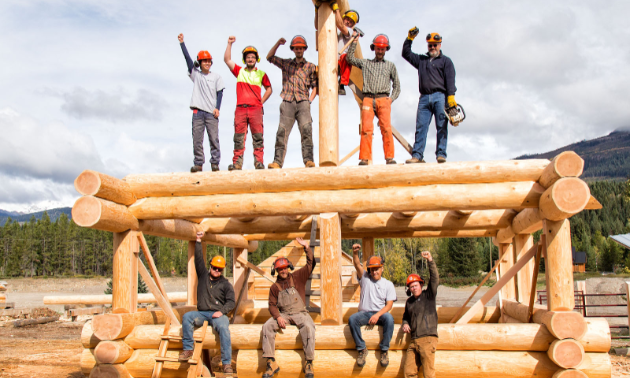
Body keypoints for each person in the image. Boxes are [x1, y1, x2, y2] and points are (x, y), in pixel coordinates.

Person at [179, 231, 235, 375]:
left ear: (222, 270)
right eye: (214, 268)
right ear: (210, 266)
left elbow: (231, 302)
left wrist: (222, 312)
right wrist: (198, 240)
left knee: (224, 328)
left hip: (217, 314)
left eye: (219, 269)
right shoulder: (203, 275)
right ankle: (188, 349)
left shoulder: (226, 284)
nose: (216, 270)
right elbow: (198, 259)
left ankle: (227, 363)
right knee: (187, 317)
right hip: (202, 313)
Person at [261, 238, 316, 378]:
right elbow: (272, 305)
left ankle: (309, 362)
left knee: (309, 327)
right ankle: (271, 362)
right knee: (267, 326)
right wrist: (278, 317)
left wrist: (307, 248)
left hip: (300, 313)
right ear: (276, 270)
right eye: (280, 269)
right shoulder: (274, 288)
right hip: (284, 315)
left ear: (289, 267)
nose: (283, 271)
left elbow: (311, 264)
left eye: (285, 268)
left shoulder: (298, 276)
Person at [402, 29, 457, 164]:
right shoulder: (422, 60)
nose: (432, 47)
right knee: (421, 127)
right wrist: (409, 39)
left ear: (440, 45)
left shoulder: (446, 61)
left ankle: (441, 154)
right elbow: (406, 54)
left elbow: (450, 80)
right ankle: (417, 155)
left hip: (440, 97)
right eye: (430, 45)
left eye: (435, 44)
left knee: (441, 126)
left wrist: (451, 98)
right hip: (424, 98)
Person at [347, 32, 401, 166]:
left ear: (386, 49)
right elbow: (350, 59)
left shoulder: (390, 66)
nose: (380, 51)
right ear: (374, 48)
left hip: (383, 99)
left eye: (382, 48)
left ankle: (389, 158)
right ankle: (364, 158)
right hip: (368, 99)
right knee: (366, 130)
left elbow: (397, 86)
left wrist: (391, 99)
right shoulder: (366, 63)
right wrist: (354, 41)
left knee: (386, 129)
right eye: (378, 48)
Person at [266, 35, 318, 169]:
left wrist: (309, 100)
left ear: (304, 49)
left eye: (301, 48)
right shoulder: (286, 63)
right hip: (287, 101)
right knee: (281, 132)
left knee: (306, 130)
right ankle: (277, 162)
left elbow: (315, 86)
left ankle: (308, 161)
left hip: (303, 102)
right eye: (296, 48)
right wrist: (278, 43)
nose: (299, 50)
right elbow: (269, 57)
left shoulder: (310, 67)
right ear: (293, 49)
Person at [224, 36, 273, 171]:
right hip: (241, 109)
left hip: (255, 109)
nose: (250, 59)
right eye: (248, 57)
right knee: (239, 137)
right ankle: (237, 163)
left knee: (258, 136)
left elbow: (269, 89)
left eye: (252, 57)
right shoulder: (240, 71)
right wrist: (229, 44)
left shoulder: (261, 74)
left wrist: (261, 102)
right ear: (244, 59)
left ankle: (259, 162)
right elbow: (227, 60)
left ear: (256, 59)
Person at [178, 33, 225, 173]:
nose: (207, 63)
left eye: (209, 61)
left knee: (214, 139)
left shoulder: (216, 76)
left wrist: (217, 108)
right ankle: (198, 163)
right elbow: (187, 59)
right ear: (199, 62)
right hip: (198, 112)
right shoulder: (196, 75)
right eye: (204, 61)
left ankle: (215, 163)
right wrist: (182, 43)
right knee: (197, 139)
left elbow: (220, 92)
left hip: (211, 112)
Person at [348, 243, 396, 368]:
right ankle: (362, 349)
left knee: (390, 319)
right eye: (372, 269)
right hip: (364, 313)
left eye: (377, 269)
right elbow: (357, 264)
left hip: (380, 313)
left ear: (382, 269)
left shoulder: (388, 284)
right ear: (370, 269)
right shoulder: (365, 277)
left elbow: (389, 305)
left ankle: (384, 350)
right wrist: (355, 253)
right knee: (352, 319)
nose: (374, 271)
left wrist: (377, 315)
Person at [402, 251, 439, 378]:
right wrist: (405, 324)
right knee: (409, 372)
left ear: (421, 285)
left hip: (428, 339)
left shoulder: (429, 295)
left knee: (429, 373)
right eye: (411, 287)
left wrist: (430, 260)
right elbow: (405, 317)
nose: (414, 288)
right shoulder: (409, 302)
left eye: (416, 285)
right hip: (414, 340)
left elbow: (434, 278)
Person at [314, 2, 359, 95]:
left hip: (341, 59)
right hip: (329, 57)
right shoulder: (333, 27)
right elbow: (317, 26)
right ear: (343, 18)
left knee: (347, 59)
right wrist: (317, 11)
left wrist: (336, 8)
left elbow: (341, 26)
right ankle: (318, 84)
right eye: (347, 19)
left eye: (351, 22)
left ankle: (342, 84)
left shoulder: (350, 31)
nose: (348, 22)